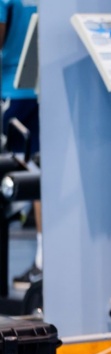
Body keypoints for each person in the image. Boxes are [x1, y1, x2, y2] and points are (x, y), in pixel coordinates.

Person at [0, 0, 41, 291]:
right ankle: (41, 260)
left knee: (31, 173)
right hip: (36, 88)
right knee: (38, 171)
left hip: (10, 90)